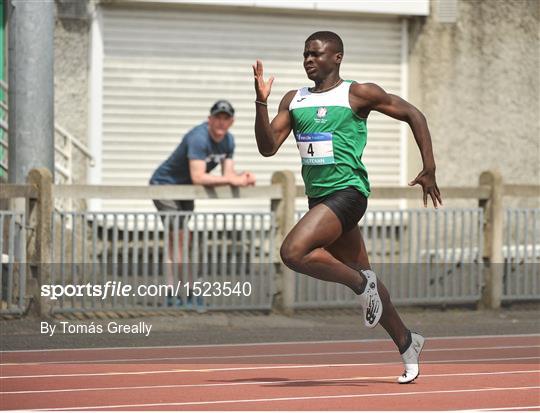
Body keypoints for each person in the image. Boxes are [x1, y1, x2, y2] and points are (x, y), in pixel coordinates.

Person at [252, 31, 442, 384]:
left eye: (316, 54)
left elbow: (414, 115)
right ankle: (407, 341)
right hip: (319, 199)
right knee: (370, 277)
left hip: (349, 193)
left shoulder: (357, 93)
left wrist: (429, 167)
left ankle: (359, 285)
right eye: (305, 54)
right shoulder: (294, 100)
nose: (308, 59)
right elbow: (267, 147)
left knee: (293, 251)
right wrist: (261, 103)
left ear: (336, 57)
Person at [150, 100, 256, 305]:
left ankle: (174, 293)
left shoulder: (229, 141)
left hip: (187, 189)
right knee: (180, 238)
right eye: (218, 117)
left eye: (226, 119)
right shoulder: (198, 138)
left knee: (179, 240)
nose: (221, 123)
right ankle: (185, 293)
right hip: (165, 186)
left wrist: (244, 177)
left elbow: (228, 175)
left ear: (232, 122)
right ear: (210, 119)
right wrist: (233, 179)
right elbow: (199, 176)